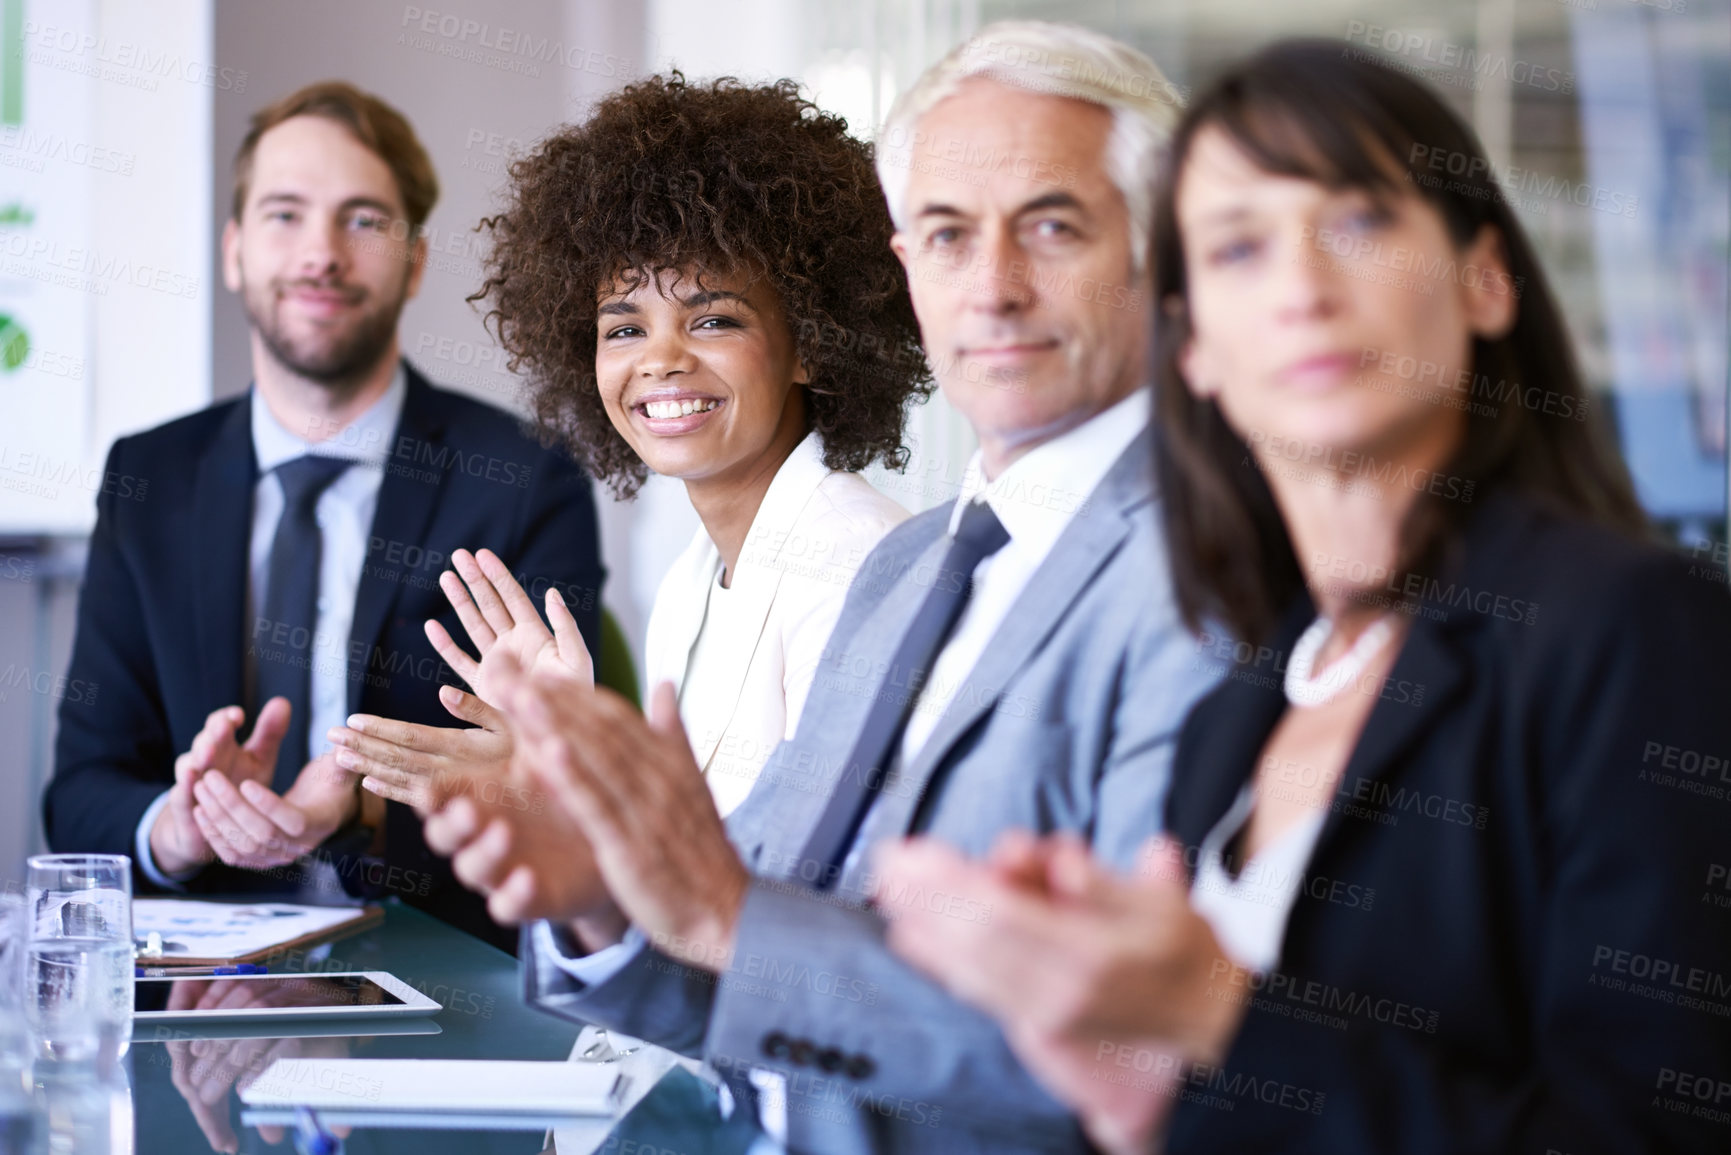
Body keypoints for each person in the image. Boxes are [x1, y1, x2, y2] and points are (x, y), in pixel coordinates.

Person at [874, 39, 1731, 1155]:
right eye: (1237, 250)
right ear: (1195, 350)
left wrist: (1211, 1013)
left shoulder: (1630, 629)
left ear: (1485, 280)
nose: (1304, 289)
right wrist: (1113, 1055)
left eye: (1361, 223)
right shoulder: (1246, 705)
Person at [424, 22, 1211, 1153]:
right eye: (945, 234)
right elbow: (761, 941)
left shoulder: (1210, 579)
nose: (991, 286)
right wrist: (603, 888)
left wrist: (715, 911)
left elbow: (1143, 1067)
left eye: (1051, 223)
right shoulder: (917, 567)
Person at [42, 81, 604, 952]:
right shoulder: (148, 477)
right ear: (233, 251)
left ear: (415, 260)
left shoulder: (525, 479)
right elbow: (81, 789)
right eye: (283, 214)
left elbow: (558, 793)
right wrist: (179, 828)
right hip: (195, 979)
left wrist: (362, 811)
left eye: (364, 219)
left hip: (437, 982)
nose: (321, 253)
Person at [323, 74, 925, 834]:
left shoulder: (857, 564)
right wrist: (567, 771)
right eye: (623, 328)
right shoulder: (688, 586)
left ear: (810, 343)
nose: (660, 359)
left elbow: (802, 893)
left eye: (713, 321)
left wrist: (576, 787)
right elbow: (674, 863)